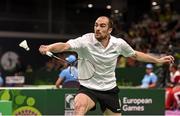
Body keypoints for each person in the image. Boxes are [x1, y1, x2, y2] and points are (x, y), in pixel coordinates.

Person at [39, 16, 174, 115]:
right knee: (79, 106)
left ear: (109, 30)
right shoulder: (85, 41)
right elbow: (65, 46)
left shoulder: (119, 44)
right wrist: (49, 47)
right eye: (96, 25)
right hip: (88, 88)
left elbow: (135, 55)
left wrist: (158, 60)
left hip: (109, 89)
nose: (97, 28)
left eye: (102, 26)